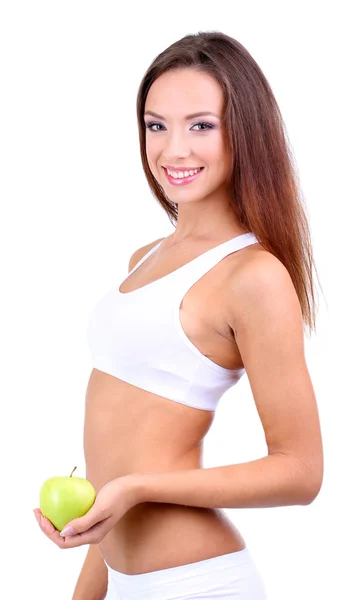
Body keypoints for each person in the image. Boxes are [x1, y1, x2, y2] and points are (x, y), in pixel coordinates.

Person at [34, 30, 324, 600]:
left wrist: (136, 488)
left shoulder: (253, 276)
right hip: (121, 576)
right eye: (156, 124)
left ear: (244, 133)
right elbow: (114, 474)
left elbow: (301, 470)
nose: (174, 149)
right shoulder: (144, 259)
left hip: (198, 583)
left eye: (201, 125)